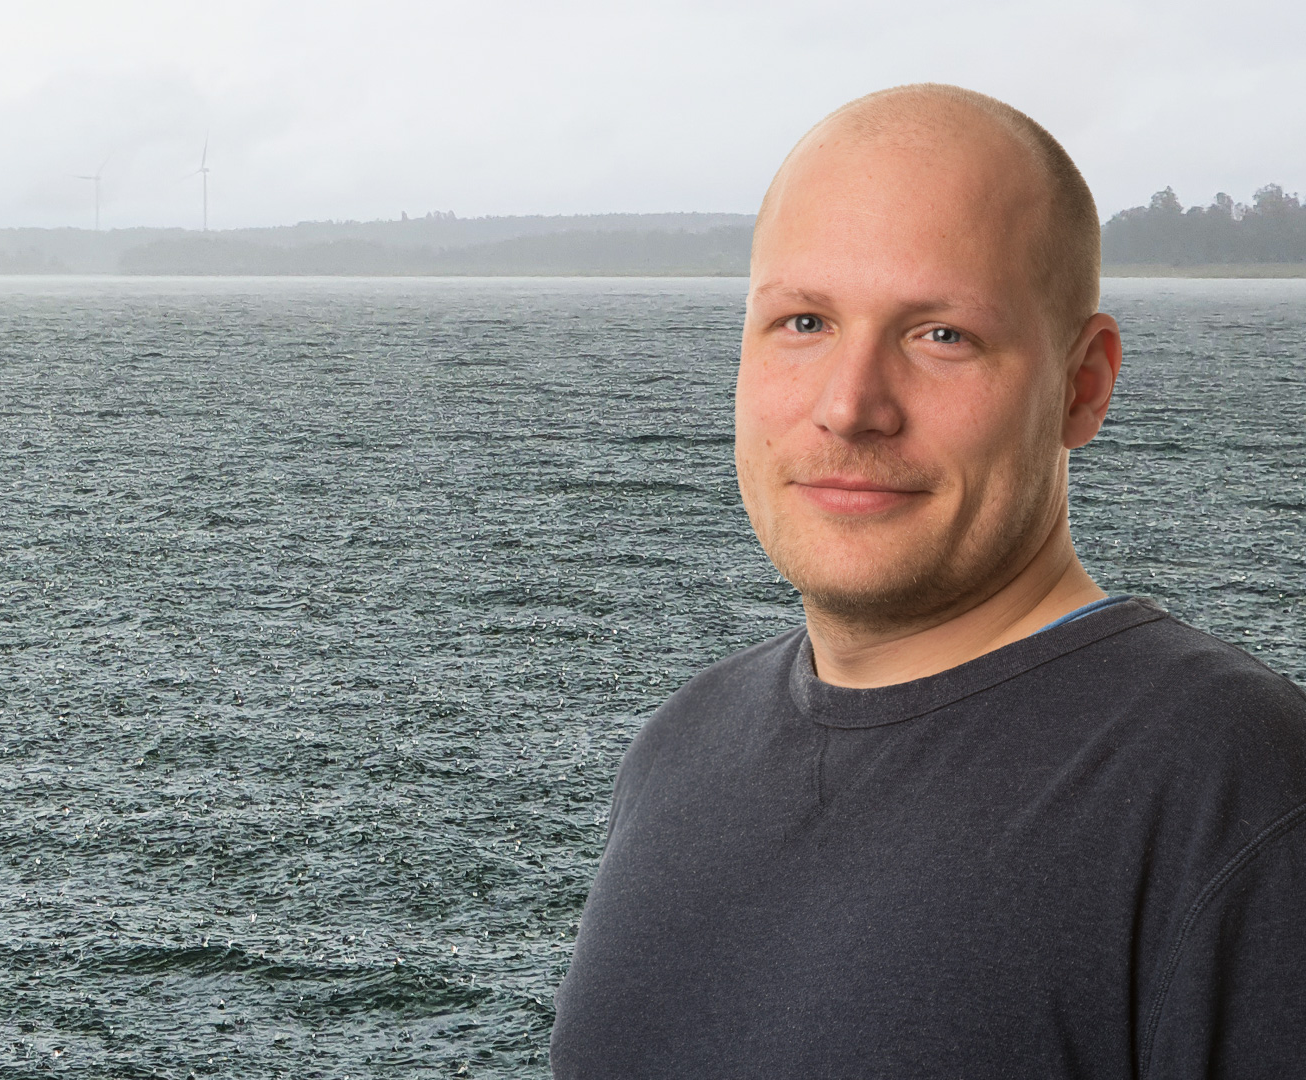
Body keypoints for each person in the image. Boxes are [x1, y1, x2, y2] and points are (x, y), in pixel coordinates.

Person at [550, 84, 1306, 1077]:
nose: (850, 405)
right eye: (805, 321)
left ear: (1083, 385)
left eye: (940, 334)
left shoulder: (1238, 790)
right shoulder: (679, 750)